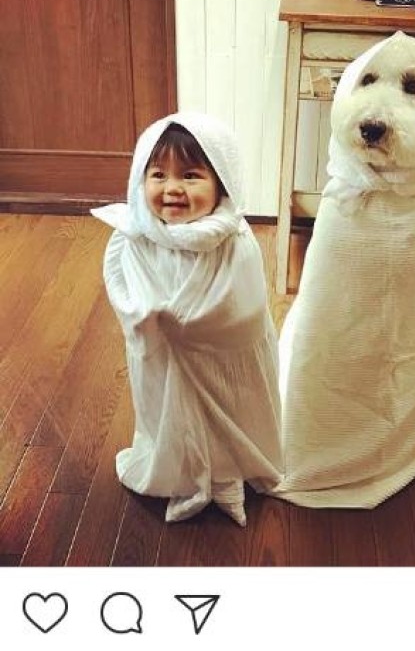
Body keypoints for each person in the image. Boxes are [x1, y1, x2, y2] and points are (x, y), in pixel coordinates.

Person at [92, 113, 283, 524]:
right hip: (160, 358)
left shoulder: (233, 239)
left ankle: (228, 474)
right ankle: (179, 474)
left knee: (230, 412)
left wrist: (185, 324)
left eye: (191, 175)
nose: (173, 188)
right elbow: (119, 282)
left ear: (221, 183)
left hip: (222, 362)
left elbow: (246, 309)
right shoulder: (133, 235)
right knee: (167, 414)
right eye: (158, 174)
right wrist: (141, 317)